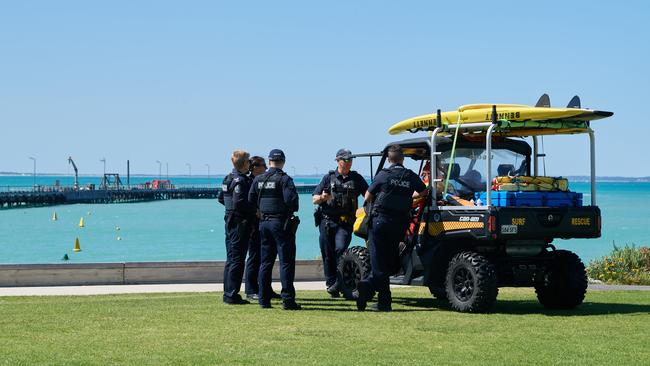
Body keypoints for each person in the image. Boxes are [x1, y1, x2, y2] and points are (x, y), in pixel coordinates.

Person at [356, 145, 428, 312]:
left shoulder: (383, 175)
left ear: (389, 159)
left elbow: (367, 196)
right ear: (402, 158)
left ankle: (368, 287)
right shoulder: (410, 176)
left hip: (380, 223)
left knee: (378, 263)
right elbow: (424, 192)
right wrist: (409, 197)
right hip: (399, 225)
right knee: (387, 262)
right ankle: (382, 300)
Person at [248, 149, 301, 310]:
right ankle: (288, 300)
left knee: (265, 262)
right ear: (283, 162)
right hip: (281, 224)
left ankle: (263, 300)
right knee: (286, 262)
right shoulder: (284, 179)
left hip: (264, 223)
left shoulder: (258, 179)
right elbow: (292, 202)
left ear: (269, 161)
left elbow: (251, 200)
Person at [312, 148, 368, 298]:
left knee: (341, 250)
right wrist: (323, 198)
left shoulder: (356, 178)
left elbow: (368, 194)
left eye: (351, 160)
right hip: (327, 222)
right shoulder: (328, 178)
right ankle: (331, 285)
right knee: (327, 254)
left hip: (345, 223)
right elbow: (314, 199)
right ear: (338, 160)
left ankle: (340, 282)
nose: (349, 162)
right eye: (346, 160)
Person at [217, 149, 256, 305]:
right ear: (245, 163)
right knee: (237, 259)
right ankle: (231, 294)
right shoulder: (240, 180)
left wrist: (230, 211)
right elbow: (240, 202)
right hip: (239, 222)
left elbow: (221, 198)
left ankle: (228, 292)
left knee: (231, 258)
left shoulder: (228, 178)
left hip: (230, 220)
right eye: (249, 162)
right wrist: (255, 210)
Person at [244, 156, 281, 301]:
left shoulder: (262, 181)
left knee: (265, 258)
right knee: (254, 257)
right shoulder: (249, 182)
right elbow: (244, 201)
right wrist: (254, 212)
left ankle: (265, 288)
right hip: (253, 224)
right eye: (262, 165)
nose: (265, 168)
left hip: (264, 223)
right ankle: (251, 289)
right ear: (254, 167)